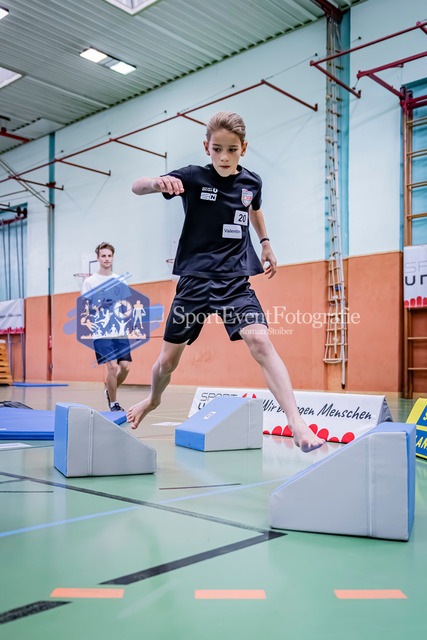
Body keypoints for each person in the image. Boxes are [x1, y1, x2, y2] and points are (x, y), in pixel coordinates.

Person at [127, 112, 324, 452]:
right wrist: (157, 183)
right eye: (217, 149)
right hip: (194, 282)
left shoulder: (252, 182)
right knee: (167, 362)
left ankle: (296, 421)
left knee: (260, 341)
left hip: (234, 281)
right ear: (207, 147)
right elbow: (137, 186)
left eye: (232, 150)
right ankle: (153, 399)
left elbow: (254, 208)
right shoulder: (192, 176)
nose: (223, 157)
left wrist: (265, 242)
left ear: (243, 149)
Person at [82, 242, 131, 411]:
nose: (107, 259)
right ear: (98, 258)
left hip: (120, 330)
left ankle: (109, 391)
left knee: (125, 367)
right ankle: (114, 403)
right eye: (103, 256)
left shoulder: (119, 280)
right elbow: (86, 309)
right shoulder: (90, 282)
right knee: (112, 366)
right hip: (101, 331)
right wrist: (100, 306)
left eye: (109, 256)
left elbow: (125, 305)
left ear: (112, 258)